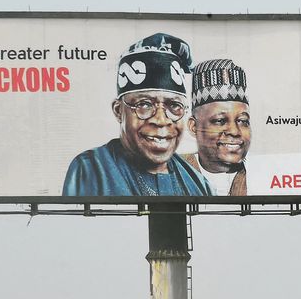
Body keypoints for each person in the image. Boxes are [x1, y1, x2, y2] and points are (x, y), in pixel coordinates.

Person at [63, 33, 211, 198]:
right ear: (118, 111)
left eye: (174, 106)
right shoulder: (91, 170)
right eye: (144, 104)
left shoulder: (198, 183)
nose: (161, 120)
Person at [181, 58, 251, 196]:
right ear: (193, 126)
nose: (234, 131)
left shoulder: (262, 176)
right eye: (220, 120)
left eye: (243, 121)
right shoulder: (172, 172)